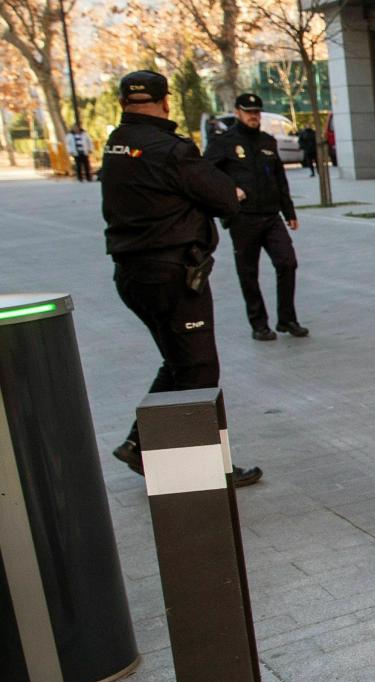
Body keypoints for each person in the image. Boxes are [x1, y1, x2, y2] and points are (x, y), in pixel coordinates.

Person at [101, 70, 262, 486]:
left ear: (123, 102)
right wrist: (234, 194)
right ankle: (202, 472)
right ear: (165, 101)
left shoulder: (116, 143)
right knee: (199, 369)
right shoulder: (170, 149)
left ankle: (138, 445)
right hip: (171, 273)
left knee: (178, 362)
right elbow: (223, 196)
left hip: (132, 273)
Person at [206, 93, 310, 340]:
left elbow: (279, 179)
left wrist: (289, 212)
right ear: (238, 112)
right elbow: (205, 172)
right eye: (248, 111)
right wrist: (229, 190)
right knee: (248, 272)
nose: (253, 116)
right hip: (243, 217)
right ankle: (259, 324)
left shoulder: (267, 141)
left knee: (287, 263)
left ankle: (287, 319)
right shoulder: (224, 142)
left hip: (271, 215)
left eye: (257, 112)